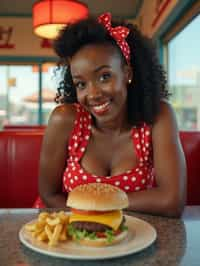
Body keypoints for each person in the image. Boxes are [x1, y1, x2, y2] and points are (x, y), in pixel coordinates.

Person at [33, 12, 186, 217]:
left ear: (127, 74)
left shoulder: (158, 116)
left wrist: (100, 204)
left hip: (132, 236)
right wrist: (96, 217)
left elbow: (172, 201)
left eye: (104, 77)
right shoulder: (64, 120)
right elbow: (49, 195)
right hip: (68, 230)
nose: (93, 94)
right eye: (81, 84)